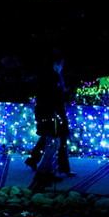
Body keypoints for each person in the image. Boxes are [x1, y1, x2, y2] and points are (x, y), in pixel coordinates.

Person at [27, 51, 74, 188]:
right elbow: (46, 98)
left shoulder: (55, 77)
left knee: (53, 144)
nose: (62, 67)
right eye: (61, 64)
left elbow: (56, 96)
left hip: (54, 114)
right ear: (55, 64)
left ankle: (47, 172)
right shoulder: (48, 78)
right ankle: (41, 173)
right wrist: (59, 101)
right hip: (49, 115)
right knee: (53, 144)